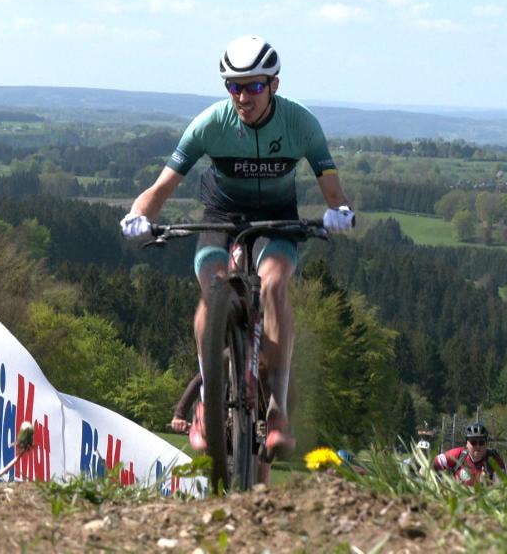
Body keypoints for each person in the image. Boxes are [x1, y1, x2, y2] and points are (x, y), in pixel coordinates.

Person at [121, 36, 354, 459]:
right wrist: (138, 216)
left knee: (273, 287)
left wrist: (339, 211)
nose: (242, 96)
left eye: (254, 86)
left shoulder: (301, 124)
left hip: (276, 218)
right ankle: (209, 403)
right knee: (212, 294)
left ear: (275, 85)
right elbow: (161, 188)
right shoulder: (210, 124)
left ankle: (278, 410)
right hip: (221, 216)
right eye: (233, 86)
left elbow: (332, 189)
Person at [433, 423, 506, 486]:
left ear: (486, 444)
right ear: (466, 444)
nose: (478, 446)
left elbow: (501, 488)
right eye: (473, 442)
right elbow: (429, 465)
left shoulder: (494, 460)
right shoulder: (458, 454)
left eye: (481, 443)